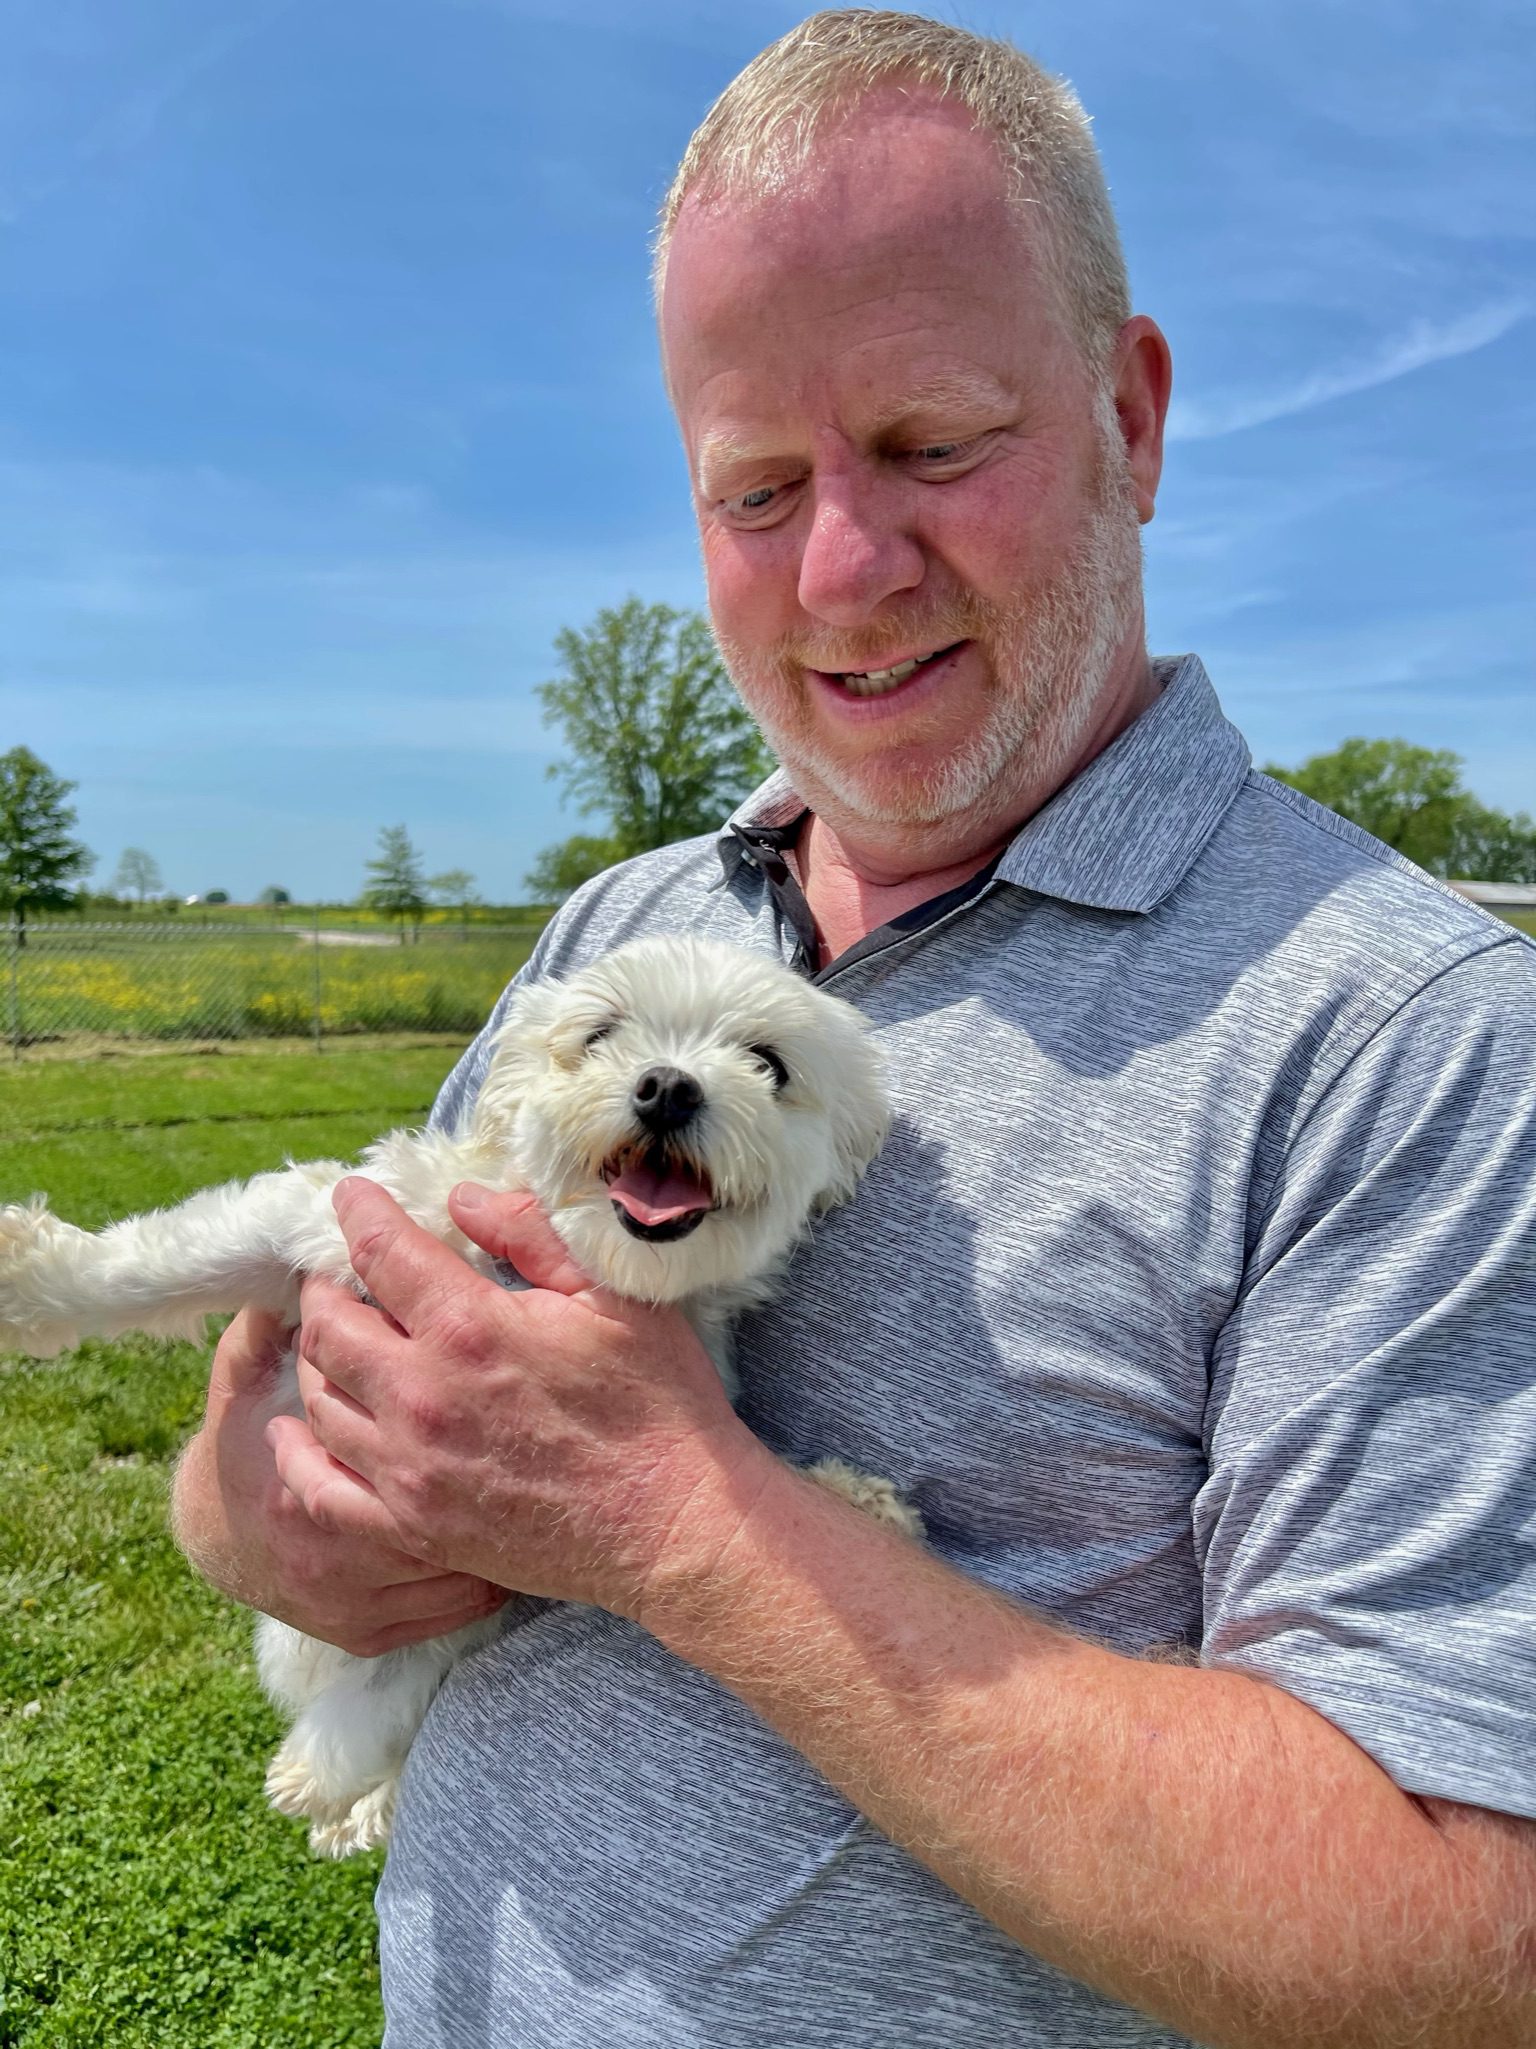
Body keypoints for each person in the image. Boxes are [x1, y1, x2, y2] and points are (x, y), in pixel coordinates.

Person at [172, 13, 1536, 2045]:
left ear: (1132, 416)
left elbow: (1454, 1934)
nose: (843, 568)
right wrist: (280, 1504)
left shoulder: (1408, 1032)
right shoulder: (623, 925)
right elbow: (254, 1483)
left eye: (929, 446)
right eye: (755, 485)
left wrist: (665, 1517)